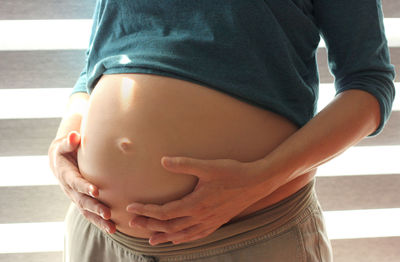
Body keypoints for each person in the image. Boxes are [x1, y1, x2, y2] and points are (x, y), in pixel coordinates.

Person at [48, 0, 395, 261]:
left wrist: (263, 178)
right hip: (100, 239)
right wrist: (64, 144)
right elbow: (100, 61)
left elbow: (368, 85)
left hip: (248, 239)